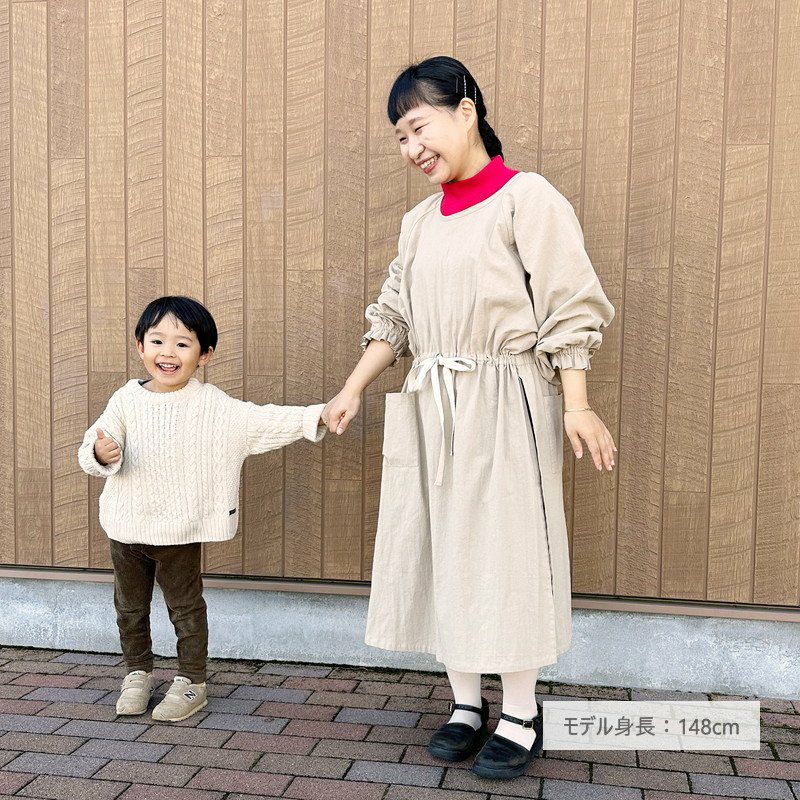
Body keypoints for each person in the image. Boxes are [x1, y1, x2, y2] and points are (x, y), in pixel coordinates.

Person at [322, 56, 616, 780]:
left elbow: (568, 304)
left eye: (418, 127)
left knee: (507, 554)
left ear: (466, 110)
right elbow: (395, 315)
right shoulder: (419, 222)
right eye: (399, 137)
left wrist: (577, 403)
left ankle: (521, 711)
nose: (411, 147)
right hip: (433, 403)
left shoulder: (527, 199)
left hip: (506, 400)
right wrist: (352, 389)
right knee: (441, 547)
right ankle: (464, 702)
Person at [77, 296, 326, 722]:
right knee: (129, 608)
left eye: (182, 343)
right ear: (140, 346)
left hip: (179, 532)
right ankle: (137, 673)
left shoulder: (213, 405)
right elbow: (93, 444)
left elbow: (262, 420)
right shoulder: (125, 399)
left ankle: (192, 681)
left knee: (186, 608)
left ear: (204, 354)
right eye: (157, 341)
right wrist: (100, 453)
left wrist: (317, 416)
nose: (168, 352)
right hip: (125, 527)